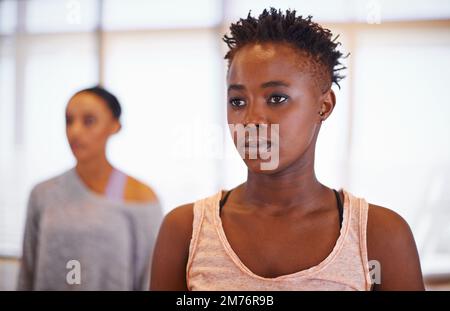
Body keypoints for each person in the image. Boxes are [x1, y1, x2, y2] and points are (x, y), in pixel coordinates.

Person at [150, 9, 424, 291]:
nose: (251, 119)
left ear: (324, 106)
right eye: (237, 101)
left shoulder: (380, 236)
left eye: (276, 98)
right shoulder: (185, 231)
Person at [18, 86, 163, 290]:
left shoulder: (139, 196)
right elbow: (27, 273)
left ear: (114, 126)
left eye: (89, 121)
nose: (75, 131)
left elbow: (149, 277)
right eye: (69, 121)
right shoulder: (42, 194)